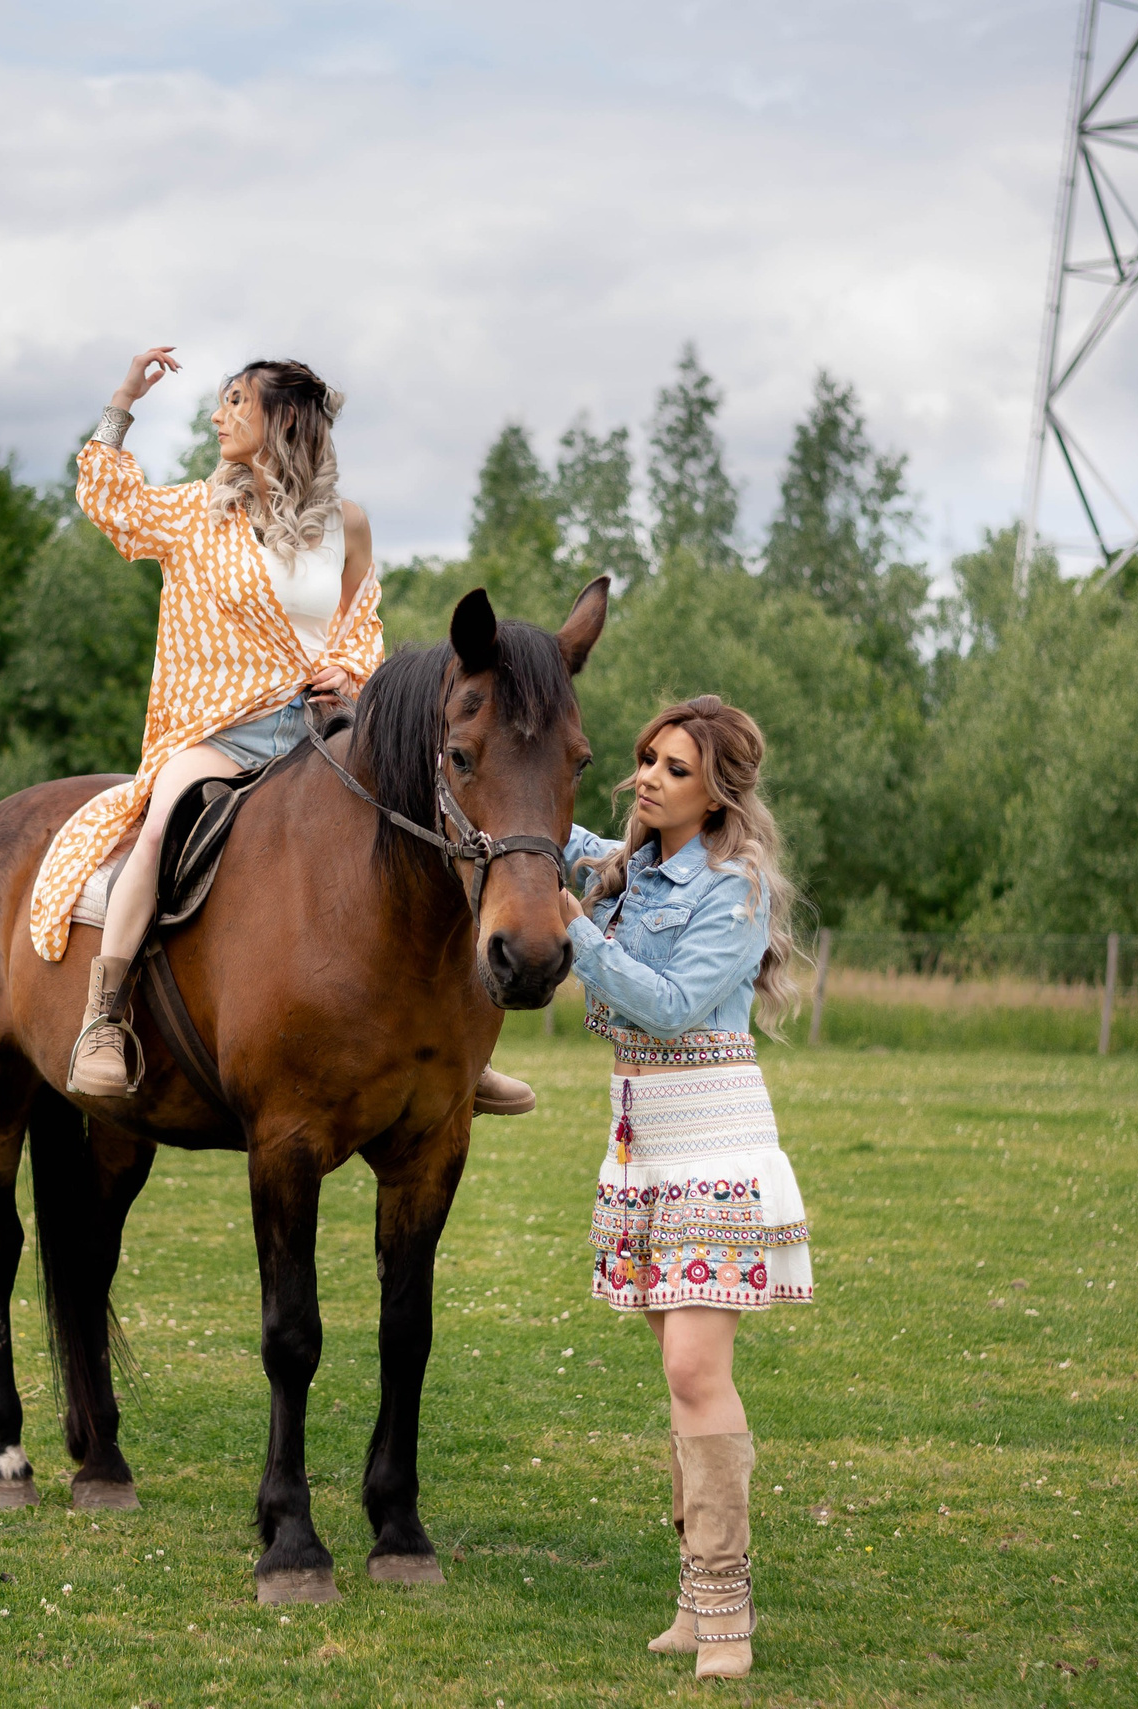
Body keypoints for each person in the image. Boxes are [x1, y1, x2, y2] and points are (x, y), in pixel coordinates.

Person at [40, 346, 536, 1117]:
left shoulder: (348, 524)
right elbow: (108, 499)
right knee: (160, 826)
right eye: (220, 402)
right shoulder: (195, 514)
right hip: (217, 729)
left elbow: (356, 620)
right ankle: (103, 1021)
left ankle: (457, 1046)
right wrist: (121, 403)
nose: (217, 416)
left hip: (321, 725)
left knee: (423, 827)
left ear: (285, 420)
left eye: (236, 402)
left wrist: (347, 670)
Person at [557, 696, 813, 1682]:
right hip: (640, 1152)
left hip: (713, 1147)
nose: (648, 779)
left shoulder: (733, 886)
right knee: (680, 1377)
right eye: (645, 762)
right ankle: (690, 1598)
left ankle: (726, 1616)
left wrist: (574, 927)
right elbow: (530, 830)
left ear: (717, 792)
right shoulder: (630, 863)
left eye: (672, 768)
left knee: (696, 1375)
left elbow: (666, 1007)